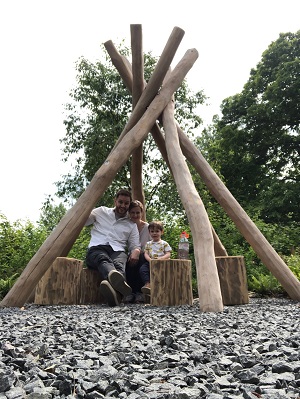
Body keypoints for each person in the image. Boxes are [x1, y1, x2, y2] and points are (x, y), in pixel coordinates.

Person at [85, 189, 141, 307]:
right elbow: (84, 221)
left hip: (117, 250)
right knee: (102, 258)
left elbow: (135, 245)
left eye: (126, 203)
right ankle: (113, 276)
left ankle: (115, 295)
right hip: (97, 247)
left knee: (120, 263)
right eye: (120, 202)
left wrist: (136, 252)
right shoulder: (101, 211)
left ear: (129, 204)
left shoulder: (131, 224)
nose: (123, 206)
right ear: (115, 201)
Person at [125, 200, 151, 304]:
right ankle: (130, 292)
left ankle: (140, 292)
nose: (135, 215)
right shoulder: (126, 225)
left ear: (141, 213)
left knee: (140, 260)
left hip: (144, 255)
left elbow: (151, 245)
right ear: (129, 213)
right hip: (129, 254)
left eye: (137, 213)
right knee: (129, 262)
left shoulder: (147, 227)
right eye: (133, 213)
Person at [140, 221, 172, 296]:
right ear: (149, 233)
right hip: (150, 262)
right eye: (152, 231)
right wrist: (150, 260)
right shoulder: (148, 244)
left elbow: (168, 254)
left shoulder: (164, 243)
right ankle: (148, 284)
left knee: (162, 275)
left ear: (162, 232)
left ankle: (165, 290)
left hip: (162, 262)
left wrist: (161, 258)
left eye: (157, 231)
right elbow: (146, 253)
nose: (154, 233)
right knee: (142, 269)